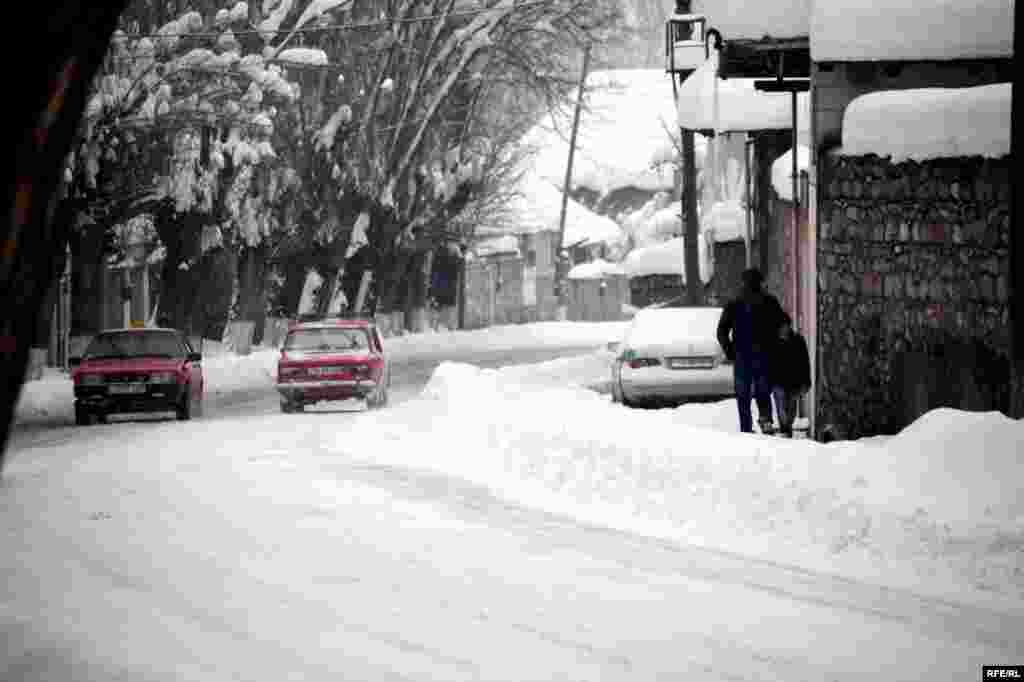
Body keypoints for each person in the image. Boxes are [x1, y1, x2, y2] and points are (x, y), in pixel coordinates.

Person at [717, 268, 786, 434]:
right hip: (764, 355)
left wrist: (730, 352)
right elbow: (782, 326)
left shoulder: (734, 303)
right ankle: (766, 421)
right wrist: (776, 348)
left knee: (743, 396)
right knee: (763, 392)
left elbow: (721, 331)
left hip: (742, 356)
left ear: (743, 282)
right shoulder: (770, 301)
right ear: (760, 282)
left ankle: (746, 428)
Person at [769, 312, 812, 438]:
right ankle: (785, 428)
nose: (783, 329)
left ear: (789, 326)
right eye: (781, 326)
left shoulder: (798, 341)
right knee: (781, 405)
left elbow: (805, 362)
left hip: (794, 382)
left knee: (791, 408)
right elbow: (768, 362)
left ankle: (787, 427)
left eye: (785, 326)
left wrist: (806, 382)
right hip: (778, 381)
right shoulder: (773, 342)